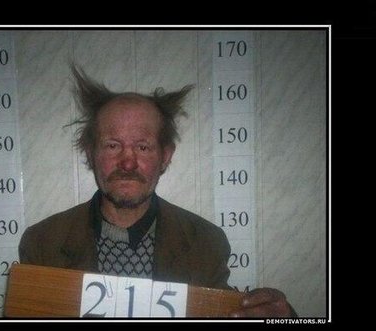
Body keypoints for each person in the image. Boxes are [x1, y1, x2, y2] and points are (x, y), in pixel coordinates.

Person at [18, 64, 296, 318]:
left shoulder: (205, 243)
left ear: (165, 156)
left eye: (143, 147)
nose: (128, 162)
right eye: (113, 145)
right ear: (91, 154)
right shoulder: (43, 244)